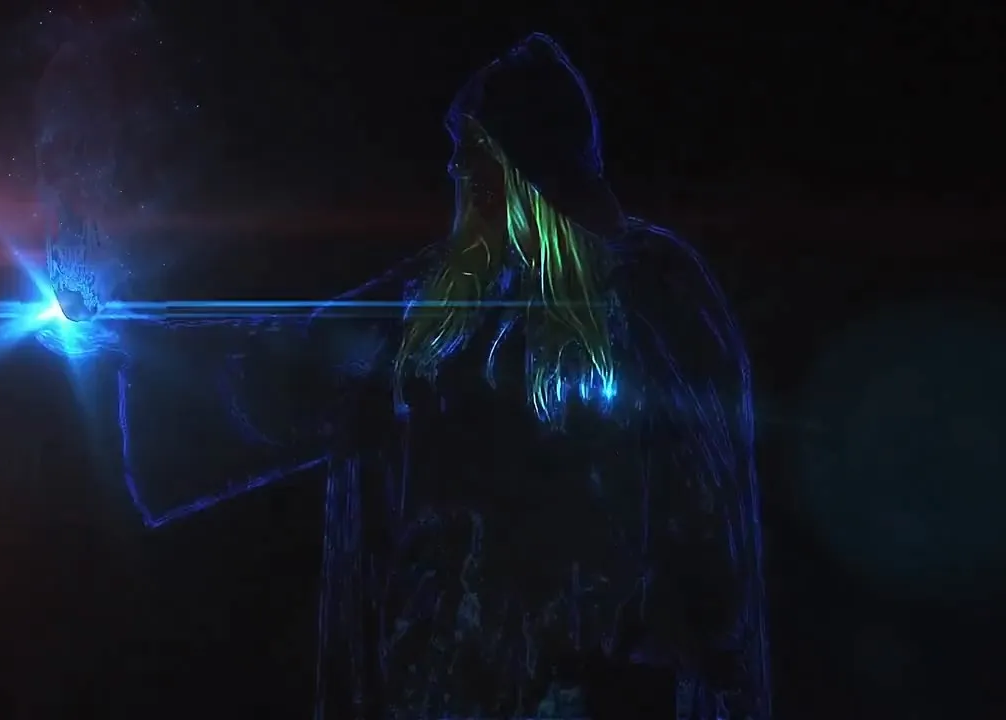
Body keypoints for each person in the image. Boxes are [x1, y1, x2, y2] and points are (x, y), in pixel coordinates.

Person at [198, 33, 770, 719]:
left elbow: (698, 489)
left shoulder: (646, 287)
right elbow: (309, 361)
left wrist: (678, 631)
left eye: (473, 147)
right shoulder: (445, 290)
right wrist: (139, 337)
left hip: (584, 671)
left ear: (521, 161)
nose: (454, 166)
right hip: (447, 667)